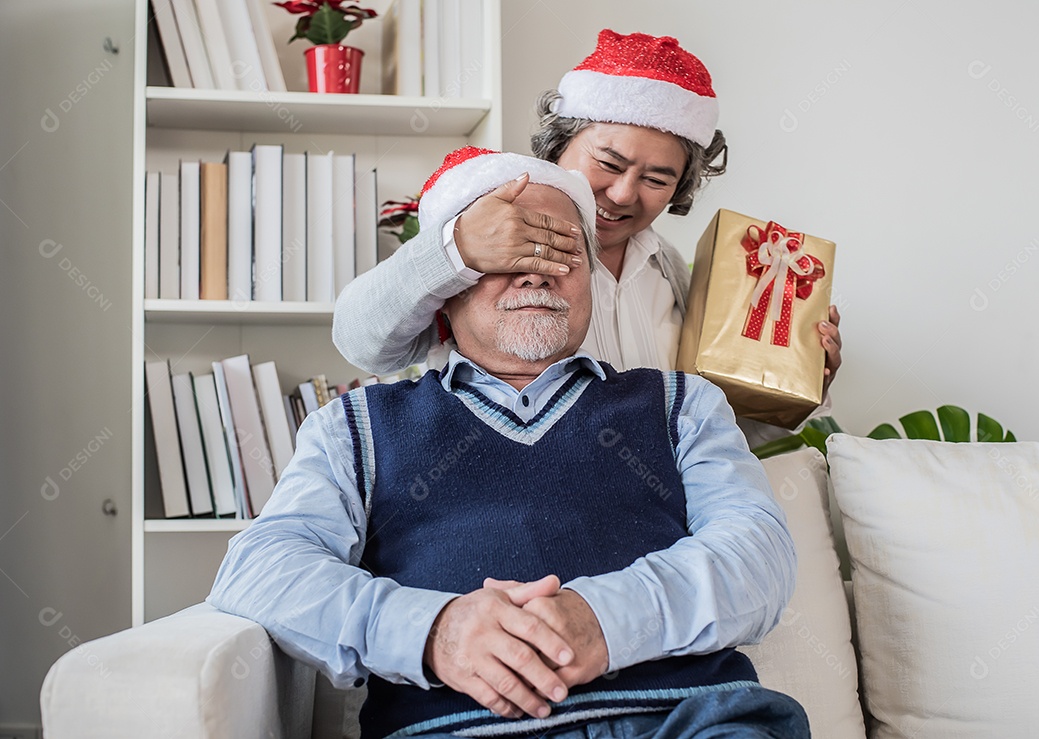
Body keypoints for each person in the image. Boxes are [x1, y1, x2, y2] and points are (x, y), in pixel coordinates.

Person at [208, 148, 808, 738]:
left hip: (692, 720)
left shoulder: (683, 404)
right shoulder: (355, 427)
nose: (537, 268)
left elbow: (758, 556)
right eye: (509, 249)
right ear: (447, 284)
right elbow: (259, 569)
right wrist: (435, 630)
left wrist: (603, 619)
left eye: (562, 248)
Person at [331, 29, 842, 440]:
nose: (622, 194)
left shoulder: (674, 271)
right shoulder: (487, 231)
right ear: (558, 146)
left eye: (657, 179)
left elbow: (702, 434)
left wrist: (791, 385)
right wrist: (456, 250)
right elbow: (362, 344)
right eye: (608, 162)